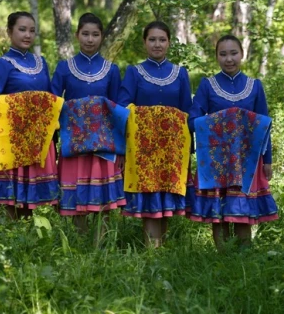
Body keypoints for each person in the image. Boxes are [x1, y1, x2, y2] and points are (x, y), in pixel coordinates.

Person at [188, 34, 278, 248]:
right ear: (217, 57)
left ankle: (243, 258)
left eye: (233, 53)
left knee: (243, 206)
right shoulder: (207, 86)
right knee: (218, 209)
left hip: (247, 160)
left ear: (242, 54)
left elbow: (264, 126)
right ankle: (222, 258)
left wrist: (267, 160)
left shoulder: (254, 86)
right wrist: (224, 120)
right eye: (223, 54)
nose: (229, 59)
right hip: (215, 160)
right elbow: (192, 121)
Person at [118, 21, 192, 247]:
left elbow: (187, 112)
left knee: (165, 197)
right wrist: (150, 116)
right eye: (152, 39)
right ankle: (152, 251)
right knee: (150, 197)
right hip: (144, 148)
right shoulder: (134, 72)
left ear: (169, 42)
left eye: (162, 40)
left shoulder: (180, 74)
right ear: (144, 42)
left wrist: (190, 150)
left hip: (172, 148)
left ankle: (163, 252)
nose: (157, 44)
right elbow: (122, 104)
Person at [51, 13, 123, 238]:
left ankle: (102, 245)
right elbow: (53, 104)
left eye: (95, 35)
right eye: (85, 34)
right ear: (77, 35)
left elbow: (116, 109)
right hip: (74, 145)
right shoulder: (64, 68)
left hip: (103, 147)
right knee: (76, 198)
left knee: (104, 199)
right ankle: (79, 245)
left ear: (102, 37)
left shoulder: (112, 70)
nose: (90, 39)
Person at [0, 11, 59, 217]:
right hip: (12, 139)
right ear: (10, 32)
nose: (27, 35)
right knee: (12, 199)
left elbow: (50, 96)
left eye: (32, 31)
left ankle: (31, 243)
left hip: (38, 138)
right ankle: (11, 241)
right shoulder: (3, 63)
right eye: (22, 29)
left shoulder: (41, 63)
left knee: (34, 201)